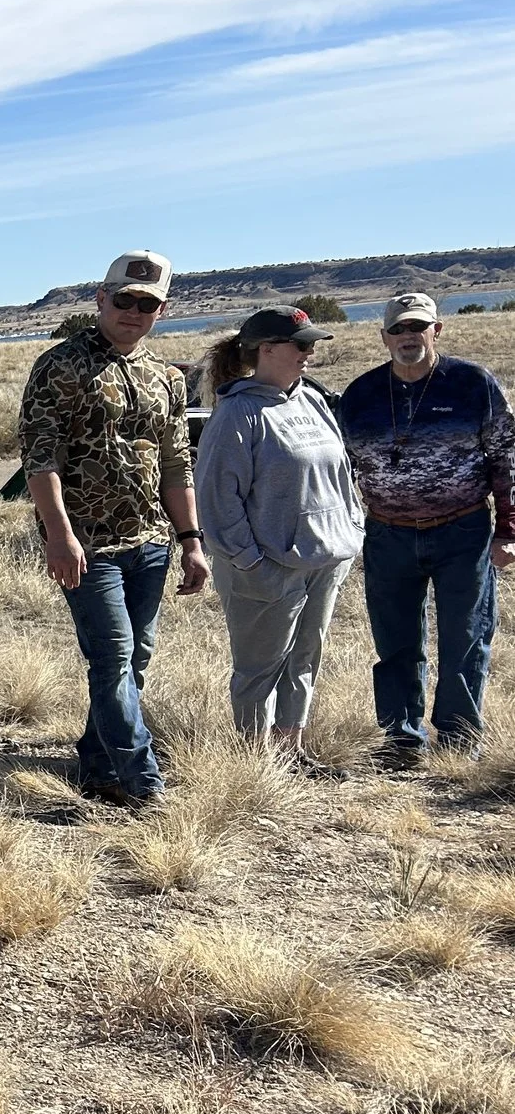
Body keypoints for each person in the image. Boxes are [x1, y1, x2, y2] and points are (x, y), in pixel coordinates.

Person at [16, 250, 210, 807]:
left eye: (147, 304)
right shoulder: (61, 366)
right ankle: (143, 781)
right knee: (113, 657)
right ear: (101, 299)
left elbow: (176, 463)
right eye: (124, 299)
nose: (133, 311)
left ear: (161, 311)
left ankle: (100, 768)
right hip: (88, 544)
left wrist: (191, 541)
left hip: (150, 542)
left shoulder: (167, 379)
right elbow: (39, 459)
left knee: (133, 659)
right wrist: (59, 534)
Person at [333, 291, 515, 761]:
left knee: (465, 637)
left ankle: (458, 741)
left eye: (418, 326)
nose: (408, 336)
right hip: (387, 533)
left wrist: (508, 530)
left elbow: (506, 458)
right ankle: (402, 739)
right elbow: (340, 468)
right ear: (384, 337)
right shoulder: (361, 395)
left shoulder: (473, 384)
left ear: (437, 330)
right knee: (395, 641)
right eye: (398, 329)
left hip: (463, 530)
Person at [194, 307, 363, 770]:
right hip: (267, 567)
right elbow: (217, 499)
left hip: (326, 559)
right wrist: (250, 561)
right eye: (301, 344)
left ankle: (291, 753)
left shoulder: (312, 400)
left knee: (305, 659)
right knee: (259, 669)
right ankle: (256, 767)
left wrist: (352, 528)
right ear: (266, 349)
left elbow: (340, 473)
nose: (310, 353)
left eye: (312, 344)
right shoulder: (237, 413)